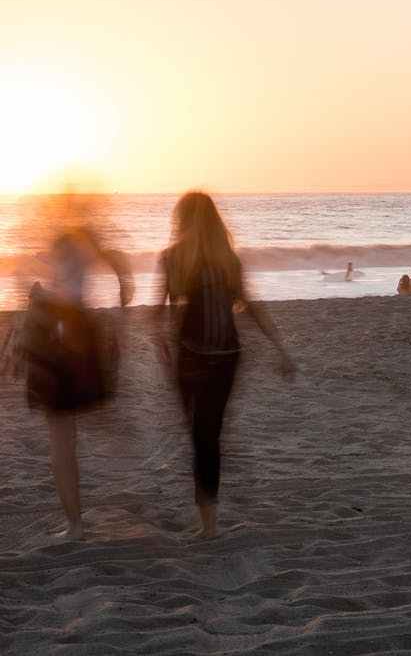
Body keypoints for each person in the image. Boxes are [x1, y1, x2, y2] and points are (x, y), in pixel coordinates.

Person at [153, 191, 295, 538]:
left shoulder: (172, 258)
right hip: (226, 356)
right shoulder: (228, 260)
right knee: (208, 434)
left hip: (191, 355)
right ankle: (209, 520)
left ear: (182, 220)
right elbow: (252, 306)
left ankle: (209, 526)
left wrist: (160, 342)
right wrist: (280, 347)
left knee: (199, 436)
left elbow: (157, 314)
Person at [1, 196, 133, 539]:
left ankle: (75, 525)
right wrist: (124, 286)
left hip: (60, 340)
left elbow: (51, 290)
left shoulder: (66, 239)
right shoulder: (80, 238)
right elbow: (111, 260)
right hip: (73, 335)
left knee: (61, 440)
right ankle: (75, 522)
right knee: (65, 435)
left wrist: (38, 296)